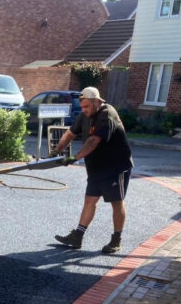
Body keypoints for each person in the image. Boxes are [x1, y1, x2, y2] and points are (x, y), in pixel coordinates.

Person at [52, 86, 134, 254]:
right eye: (82, 107)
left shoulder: (107, 114)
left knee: (116, 202)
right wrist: (56, 151)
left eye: (87, 107)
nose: (84, 110)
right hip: (96, 167)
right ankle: (77, 236)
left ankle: (116, 240)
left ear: (97, 102)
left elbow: (93, 141)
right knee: (90, 201)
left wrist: (74, 158)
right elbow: (69, 134)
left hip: (115, 166)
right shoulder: (85, 115)